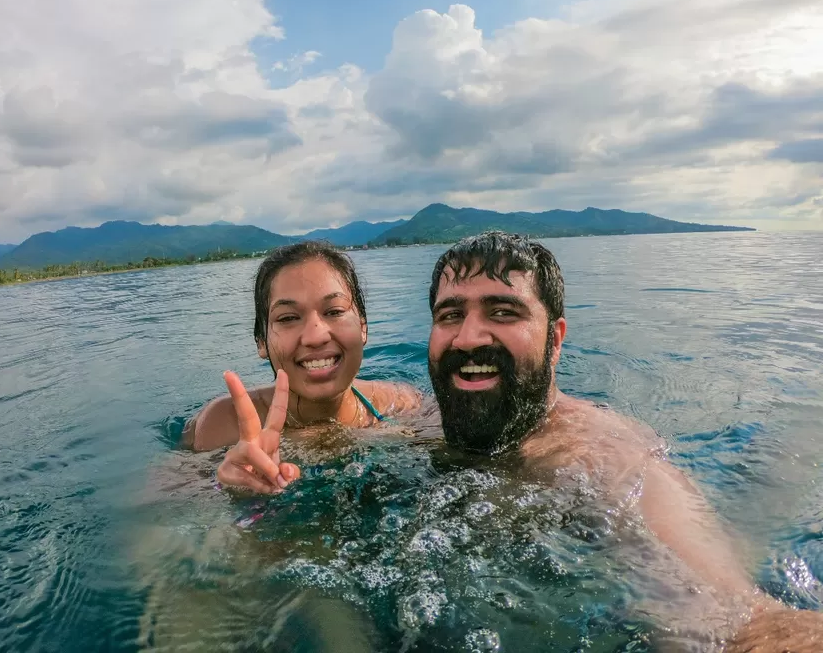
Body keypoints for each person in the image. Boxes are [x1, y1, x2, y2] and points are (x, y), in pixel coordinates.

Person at [221, 231, 822, 650]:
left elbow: (729, 617)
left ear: (556, 338)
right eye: (450, 315)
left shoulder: (599, 454)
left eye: (503, 312)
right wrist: (246, 491)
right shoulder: (415, 417)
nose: (469, 337)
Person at [182, 240, 422, 493]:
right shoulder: (222, 425)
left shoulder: (402, 405)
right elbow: (160, 514)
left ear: (363, 327)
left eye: (334, 311)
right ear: (261, 341)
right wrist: (230, 490)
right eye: (288, 318)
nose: (316, 336)